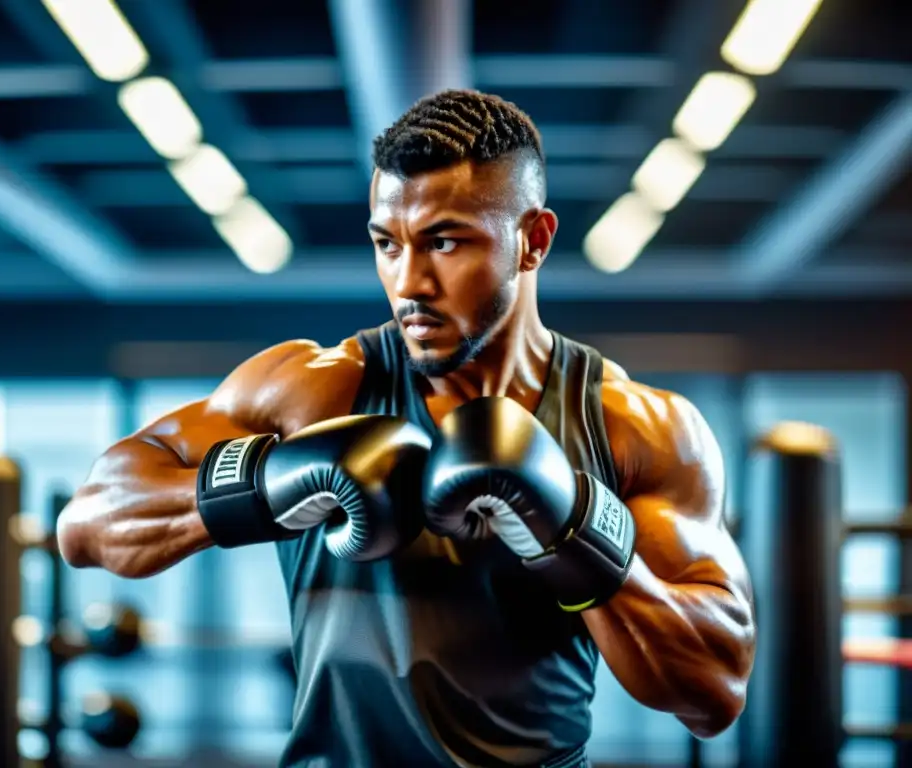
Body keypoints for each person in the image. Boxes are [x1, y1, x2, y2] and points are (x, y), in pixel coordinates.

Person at [58, 90, 756, 768]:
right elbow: (86, 526)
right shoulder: (319, 390)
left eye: (445, 242)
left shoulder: (631, 427)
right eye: (386, 243)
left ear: (533, 240)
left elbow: (715, 689)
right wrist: (267, 482)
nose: (409, 282)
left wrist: (575, 527)